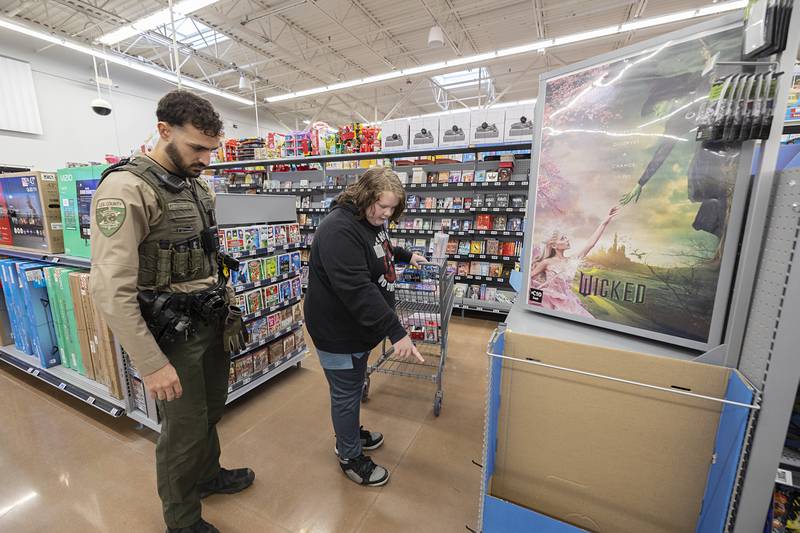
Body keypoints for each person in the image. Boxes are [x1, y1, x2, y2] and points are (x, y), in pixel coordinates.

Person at [90, 90, 253, 533]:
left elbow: (205, 258)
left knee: (212, 410)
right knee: (182, 431)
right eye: (197, 148)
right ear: (164, 131)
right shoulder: (126, 189)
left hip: (210, 318)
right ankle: (182, 521)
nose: (206, 159)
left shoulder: (197, 186)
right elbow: (108, 288)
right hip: (171, 334)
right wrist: (151, 363)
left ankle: (207, 475)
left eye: (211, 149)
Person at [304, 167, 427, 487]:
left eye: (392, 209)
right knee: (345, 393)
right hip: (337, 330)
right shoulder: (338, 231)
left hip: (357, 328)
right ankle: (349, 455)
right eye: (382, 207)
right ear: (365, 197)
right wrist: (396, 331)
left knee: (354, 386)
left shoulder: (369, 222)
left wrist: (405, 255)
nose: (386, 214)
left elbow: (380, 248)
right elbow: (357, 289)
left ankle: (349, 433)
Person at [530, 206, 620, 317]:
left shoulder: (572, 260)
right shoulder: (547, 262)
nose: (567, 240)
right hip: (550, 302)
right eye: (563, 238)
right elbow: (529, 279)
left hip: (568, 303)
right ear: (554, 245)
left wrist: (604, 223)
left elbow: (590, 244)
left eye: (566, 237)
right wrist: (537, 291)